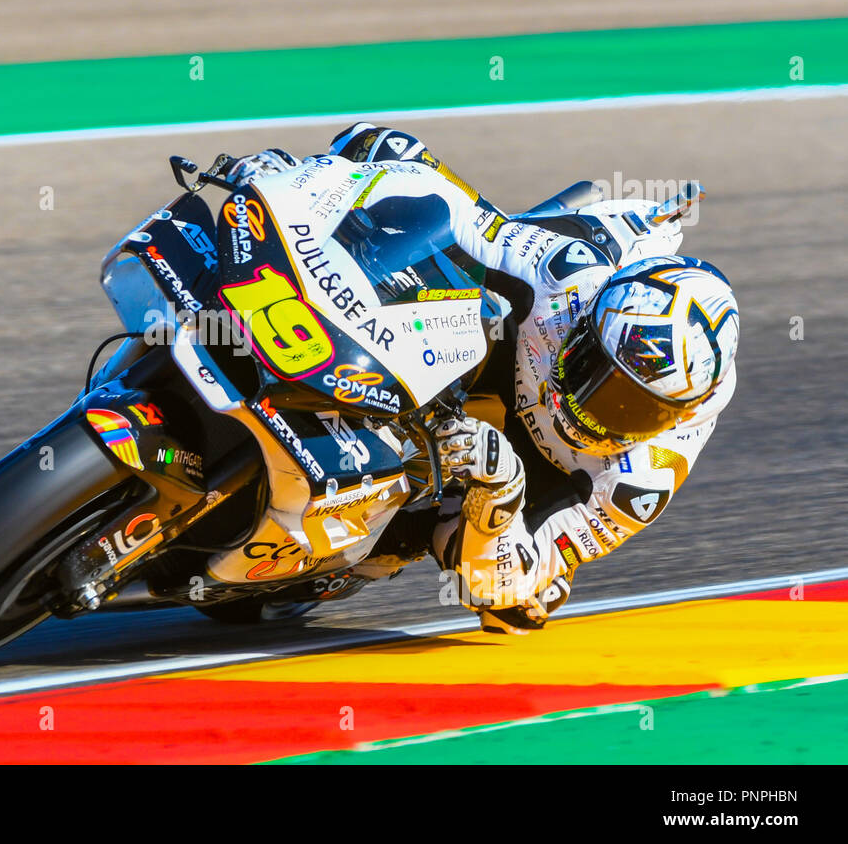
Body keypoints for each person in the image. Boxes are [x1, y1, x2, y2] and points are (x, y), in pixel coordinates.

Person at [225, 124, 739, 633]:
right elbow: (458, 207)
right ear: (587, 327)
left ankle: (358, 537)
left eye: (635, 407)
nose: (593, 405)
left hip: (534, 474)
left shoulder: (641, 478)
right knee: (393, 182)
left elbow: (508, 583)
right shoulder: (569, 277)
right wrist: (312, 180)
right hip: (524, 332)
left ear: (684, 412)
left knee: (511, 601)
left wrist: (501, 489)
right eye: (591, 369)